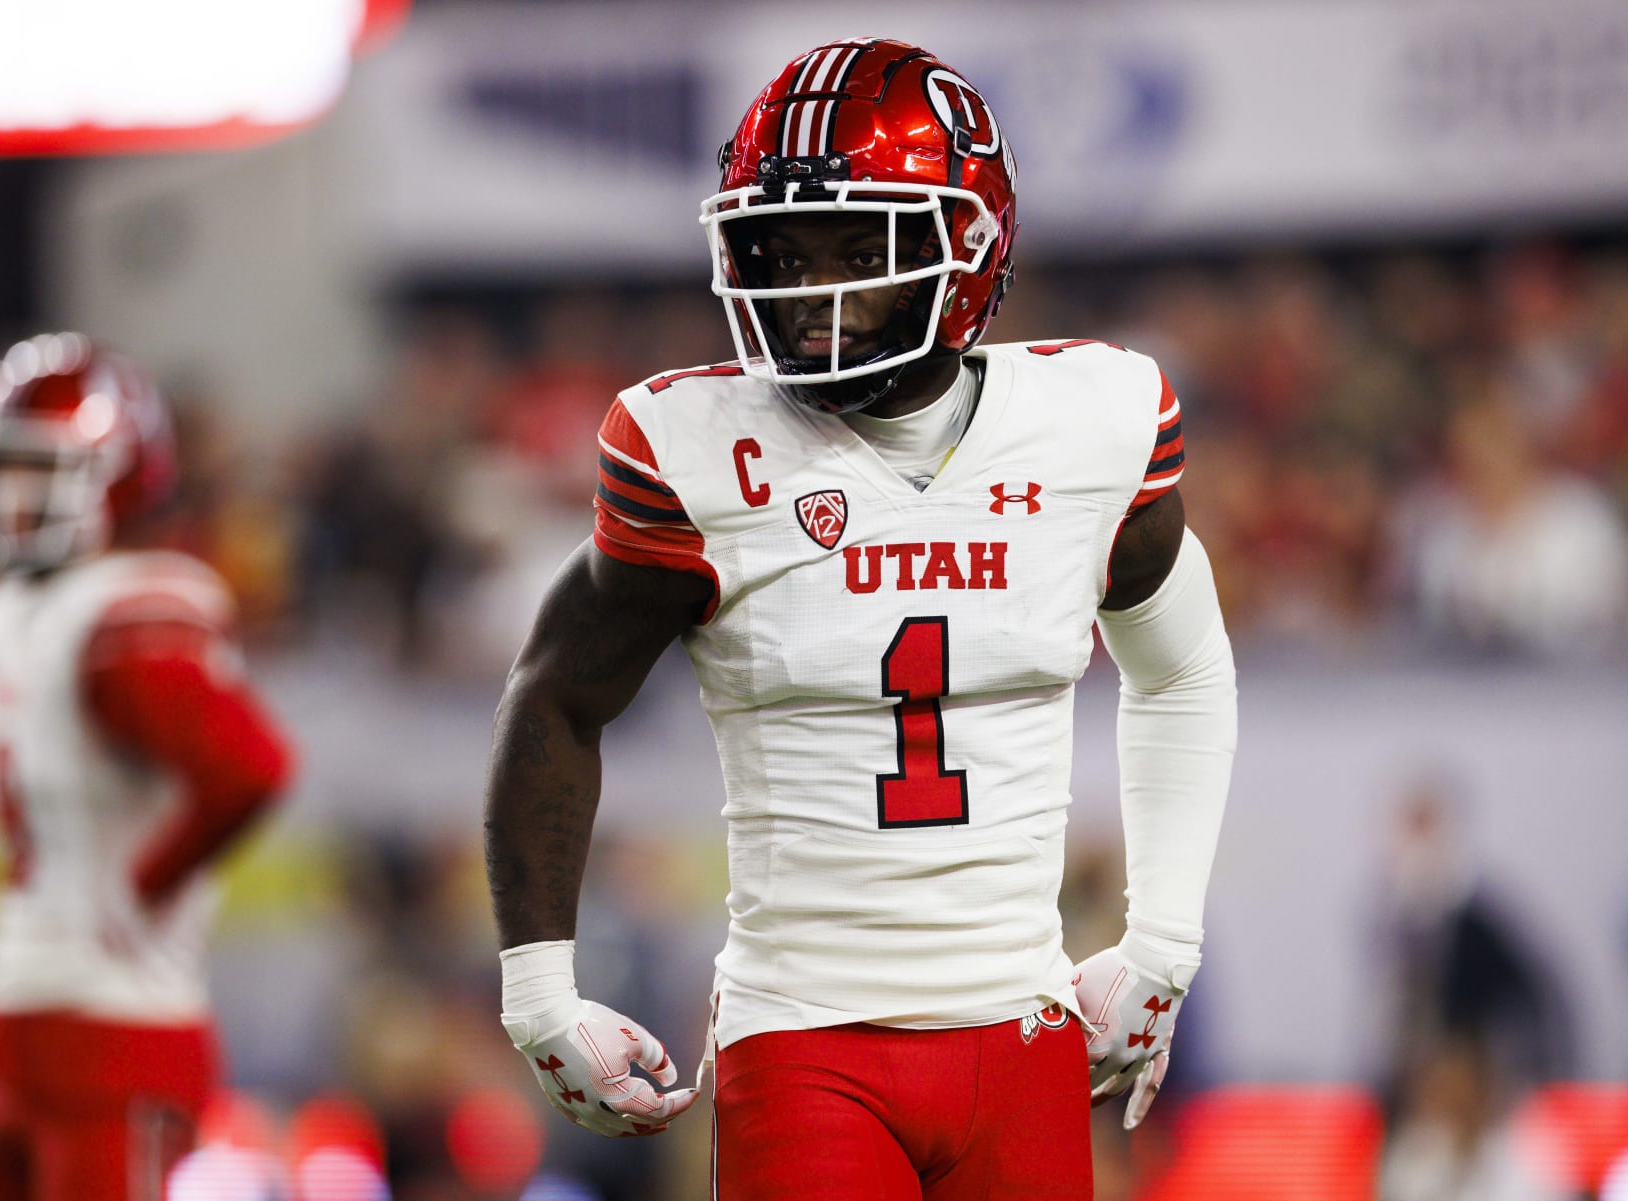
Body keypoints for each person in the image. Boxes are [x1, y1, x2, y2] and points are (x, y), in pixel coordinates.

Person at [483, 38, 1238, 1199]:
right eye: (779, 250)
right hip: (805, 1040)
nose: (808, 293)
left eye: (858, 249)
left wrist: (1163, 942)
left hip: (1024, 1034)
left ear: (968, 246)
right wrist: (539, 991)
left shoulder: (1093, 424)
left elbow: (1182, 669)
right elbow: (555, 696)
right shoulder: (698, 453)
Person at [0, 333, 294, 1201]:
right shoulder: (12, 607)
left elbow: (248, 768)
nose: (8, 498)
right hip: (22, 1006)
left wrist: (143, 888)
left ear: (118, 471)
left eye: (36, 471)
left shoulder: (122, 611)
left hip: (115, 1019)